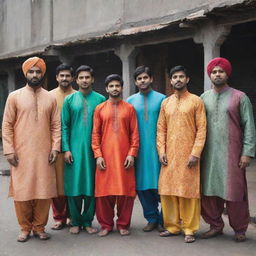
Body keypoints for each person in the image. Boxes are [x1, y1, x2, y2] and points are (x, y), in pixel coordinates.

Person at [2, 57, 61, 242]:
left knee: (44, 191)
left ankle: (39, 227)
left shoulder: (50, 97)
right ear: (25, 73)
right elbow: (7, 125)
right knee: (22, 192)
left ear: (42, 74)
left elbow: (56, 125)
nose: (35, 75)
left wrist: (55, 148)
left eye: (38, 72)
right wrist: (9, 150)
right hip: (21, 153)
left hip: (44, 153)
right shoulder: (14, 96)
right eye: (31, 71)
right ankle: (25, 227)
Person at [200, 57, 256, 242]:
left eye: (221, 71)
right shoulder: (203, 98)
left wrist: (247, 152)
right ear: (210, 75)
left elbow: (249, 126)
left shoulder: (240, 97)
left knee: (235, 192)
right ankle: (215, 225)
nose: (217, 74)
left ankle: (239, 228)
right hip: (208, 154)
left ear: (227, 74)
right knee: (209, 191)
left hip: (232, 152)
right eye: (214, 72)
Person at [157, 65, 206, 243]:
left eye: (181, 76)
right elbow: (161, 129)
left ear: (187, 80)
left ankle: (189, 229)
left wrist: (196, 153)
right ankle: (172, 226)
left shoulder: (196, 101)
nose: (178, 79)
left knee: (188, 192)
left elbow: (202, 129)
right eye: (175, 77)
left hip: (189, 155)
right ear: (170, 81)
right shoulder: (166, 102)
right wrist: (161, 150)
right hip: (169, 155)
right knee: (168, 191)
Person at [92, 74, 139, 237]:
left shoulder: (129, 108)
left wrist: (132, 154)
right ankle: (106, 224)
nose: (114, 89)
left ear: (122, 88)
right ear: (106, 89)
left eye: (117, 86)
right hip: (105, 157)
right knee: (104, 193)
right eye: (111, 86)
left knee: (126, 192)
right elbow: (95, 134)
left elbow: (134, 133)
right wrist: (98, 155)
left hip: (124, 157)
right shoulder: (100, 109)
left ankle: (123, 224)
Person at [61, 65, 105, 235]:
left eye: (87, 77)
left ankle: (87, 220)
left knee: (91, 187)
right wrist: (66, 149)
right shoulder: (69, 100)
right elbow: (64, 126)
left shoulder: (101, 99)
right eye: (81, 78)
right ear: (76, 80)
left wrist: (101, 152)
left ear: (92, 79)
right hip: (74, 151)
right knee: (73, 186)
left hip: (94, 151)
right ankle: (75, 220)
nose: (84, 80)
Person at [127, 66, 165, 232]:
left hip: (159, 149)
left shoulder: (163, 99)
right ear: (135, 82)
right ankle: (151, 218)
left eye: (145, 77)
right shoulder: (130, 102)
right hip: (139, 151)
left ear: (151, 79)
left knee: (162, 185)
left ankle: (165, 219)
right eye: (139, 78)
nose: (143, 81)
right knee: (142, 186)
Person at [49, 64, 76, 230]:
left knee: (72, 183)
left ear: (72, 78)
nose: (65, 78)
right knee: (57, 184)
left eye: (68, 75)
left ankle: (73, 216)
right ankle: (59, 218)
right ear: (57, 78)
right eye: (62, 76)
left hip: (76, 146)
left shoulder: (77, 95)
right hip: (56, 146)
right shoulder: (50, 96)